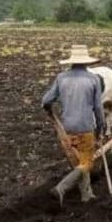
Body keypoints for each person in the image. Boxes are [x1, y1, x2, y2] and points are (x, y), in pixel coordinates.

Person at [42, 45, 105, 206]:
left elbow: (46, 101)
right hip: (85, 128)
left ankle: (87, 195)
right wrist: (100, 129)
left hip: (67, 129)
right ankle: (61, 188)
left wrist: (51, 109)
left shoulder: (61, 78)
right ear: (86, 62)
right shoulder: (93, 79)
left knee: (80, 162)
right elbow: (98, 108)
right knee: (87, 163)